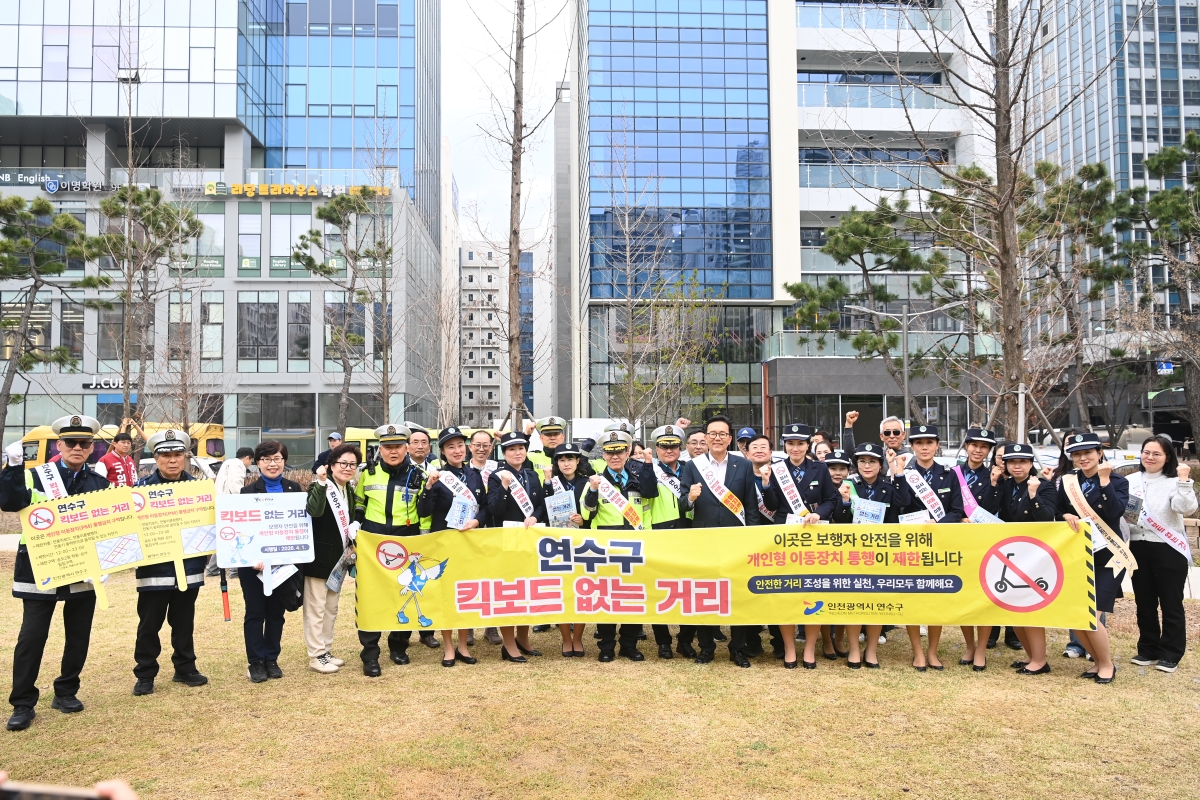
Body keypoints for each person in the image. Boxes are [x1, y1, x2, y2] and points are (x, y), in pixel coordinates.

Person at [1, 415, 109, 731]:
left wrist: (106, 565)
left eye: (84, 443)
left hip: (82, 570)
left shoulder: (100, 484)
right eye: (71, 442)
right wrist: (12, 468)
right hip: (39, 567)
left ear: (91, 448)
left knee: (78, 636)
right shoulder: (34, 477)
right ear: (59, 445)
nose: (77, 447)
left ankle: (66, 692)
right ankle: (22, 702)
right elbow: (8, 502)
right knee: (32, 637)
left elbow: (111, 529)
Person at [131, 430, 209, 697]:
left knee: (184, 622)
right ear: (156, 458)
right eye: (166, 455)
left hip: (189, 569)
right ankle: (145, 674)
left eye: (178, 455)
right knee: (149, 624)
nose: (172, 461)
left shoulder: (199, 489)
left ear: (185, 457)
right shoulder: (139, 491)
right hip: (154, 570)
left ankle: (185, 668)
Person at [678, 415, 761, 666]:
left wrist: (752, 538)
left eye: (722, 434)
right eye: (712, 434)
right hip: (704, 537)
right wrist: (690, 497)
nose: (716, 438)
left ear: (730, 438)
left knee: (737, 593)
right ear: (705, 437)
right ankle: (706, 646)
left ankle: (737, 647)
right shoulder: (693, 466)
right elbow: (682, 504)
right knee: (705, 592)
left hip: (736, 537)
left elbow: (751, 506)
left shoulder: (742, 465)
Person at [976, 442, 1057, 674]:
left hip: (1033, 554)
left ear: (1031, 464)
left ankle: (1040, 660)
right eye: (1012, 462)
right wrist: (992, 484)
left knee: (1031, 608)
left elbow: (1047, 517)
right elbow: (988, 512)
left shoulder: (1043, 486)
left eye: (1022, 461)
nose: (1017, 466)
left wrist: (1033, 495)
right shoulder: (1004, 484)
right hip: (1010, 552)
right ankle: (1032, 657)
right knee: (1017, 609)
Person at [355, 423, 429, 675]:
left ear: (406, 447)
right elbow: (359, 500)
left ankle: (399, 647)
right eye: (387, 447)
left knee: (404, 592)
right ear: (380, 449)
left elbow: (425, 510)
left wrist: (424, 538)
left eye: (397, 446)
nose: (393, 451)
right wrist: (356, 521)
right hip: (373, 539)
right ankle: (370, 654)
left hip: (406, 538)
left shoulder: (419, 474)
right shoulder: (368, 472)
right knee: (370, 596)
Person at [1056, 431, 1130, 684]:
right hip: (1079, 555)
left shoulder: (1118, 481)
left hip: (1110, 557)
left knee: (1093, 615)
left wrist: (1105, 481)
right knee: (1078, 614)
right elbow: (1057, 511)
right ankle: (1097, 662)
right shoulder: (1069, 483)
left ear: (1099, 453)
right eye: (1076, 454)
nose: (1082, 458)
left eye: (1087, 452)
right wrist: (1064, 516)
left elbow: (1115, 511)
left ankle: (1107, 665)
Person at [582, 430, 660, 662]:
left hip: (635, 549)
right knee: (606, 599)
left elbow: (647, 512)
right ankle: (606, 646)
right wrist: (594, 490)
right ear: (603, 455)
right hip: (605, 550)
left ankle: (629, 644)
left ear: (627, 453)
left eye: (619, 451)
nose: (615, 456)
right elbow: (587, 513)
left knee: (633, 598)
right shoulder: (596, 481)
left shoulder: (638, 481)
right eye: (609, 452)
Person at [765, 424, 838, 666]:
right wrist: (766, 484)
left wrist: (820, 514)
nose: (795, 448)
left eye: (800, 444)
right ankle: (789, 648)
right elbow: (773, 504)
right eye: (790, 444)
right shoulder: (777, 469)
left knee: (812, 589)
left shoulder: (819, 468)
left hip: (812, 535)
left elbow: (831, 499)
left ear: (808, 445)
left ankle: (809, 648)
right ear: (784, 445)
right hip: (784, 535)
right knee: (786, 590)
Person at [417, 427, 488, 667]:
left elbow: (486, 507)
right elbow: (423, 512)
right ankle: (448, 647)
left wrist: (477, 521)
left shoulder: (476, 475)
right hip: (445, 542)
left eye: (460, 445)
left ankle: (463, 645)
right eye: (450, 447)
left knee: (465, 593)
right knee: (446, 594)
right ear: (443, 452)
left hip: (469, 541)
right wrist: (428, 487)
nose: (456, 450)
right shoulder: (438, 477)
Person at [1127, 434, 1196, 673]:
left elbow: (1185, 508)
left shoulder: (1176, 480)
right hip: (1137, 547)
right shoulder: (1131, 481)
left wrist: (1185, 481)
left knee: (1170, 603)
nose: (1150, 457)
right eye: (1146, 452)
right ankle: (1148, 649)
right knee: (1144, 602)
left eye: (1157, 454)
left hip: (1168, 547)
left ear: (1167, 458)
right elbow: (1128, 517)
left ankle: (1170, 653)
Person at [898, 424, 964, 671]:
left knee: (936, 598)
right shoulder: (905, 471)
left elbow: (957, 510)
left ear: (937, 445)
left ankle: (933, 652)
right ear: (912, 446)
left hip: (940, 543)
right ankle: (917, 652)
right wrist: (899, 475)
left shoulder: (949, 474)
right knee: (913, 597)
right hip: (911, 543)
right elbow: (900, 505)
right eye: (918, 443)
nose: (924, 447)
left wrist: (938, 522)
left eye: (929, 442)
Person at [842, 443, 912, 668]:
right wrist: (844, 501)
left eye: (872, 461)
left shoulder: (889, 486)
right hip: (853, 553)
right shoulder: (849, 485)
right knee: (853, 602)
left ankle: (871, 650)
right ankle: (854, 649)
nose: (867, 465)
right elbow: (839, 518)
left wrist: (897, 471)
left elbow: (904, 502)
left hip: (881, 553)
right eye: (862, 461)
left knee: (875, 602)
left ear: (880, 464)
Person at [239, 441, 304, 683]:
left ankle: (272, 659)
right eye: (266, 459)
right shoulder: (247, 493)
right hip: (253, 566)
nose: (272, 463)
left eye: (277, 458)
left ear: (284, 461)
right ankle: (256, 662)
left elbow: (300, 529)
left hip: (284, 565)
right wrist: (251, 558)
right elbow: (241, 530)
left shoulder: (295, 488)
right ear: (257, 463)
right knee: (255, 612)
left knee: (277, 612)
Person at [488, 431, 548, 662]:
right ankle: (509, 643)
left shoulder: (532, 475)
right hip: (507, 542)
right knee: (510, 592)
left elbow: (541, 504)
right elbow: (494, 510)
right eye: (511, 449)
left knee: (529, 591)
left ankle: (523, 639)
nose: (517, 452)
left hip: (529, 540)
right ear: (504, 453)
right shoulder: (497, 476)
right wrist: (504, 486)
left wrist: (535, 517)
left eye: (521, 448)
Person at [643, 424, 702, 659]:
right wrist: (648, 465)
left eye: (674, 446)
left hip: (689, 532)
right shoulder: (648, 470)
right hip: (659, 534)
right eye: (664, 446)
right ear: (656, 448)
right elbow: (647, 492)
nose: (669, 450)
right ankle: (663, 641)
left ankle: (685, 640)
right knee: (660, 590)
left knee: (691, 589)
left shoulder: (691, 469)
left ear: (681, 448)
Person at [303, 442, 361, 674]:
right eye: (343, 463)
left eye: (352, 464)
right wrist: (320, 482)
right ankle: (316, 655)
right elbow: (314, 511)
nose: (347, 468)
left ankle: (325, 650)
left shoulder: (348, 489)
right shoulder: (322, 485)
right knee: (315, 609)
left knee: (331, 608)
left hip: (339, 561)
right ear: (331, 465)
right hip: (319, 559)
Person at [544, 442, 590, 656]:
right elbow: (542, 509)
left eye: (570, 459)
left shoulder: (587, 482)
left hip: (583, 544)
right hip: (557, 544)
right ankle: (565, 639)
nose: (566, 463)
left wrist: (584, 521)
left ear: (578, 461)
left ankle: (578, 638)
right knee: (562, 592)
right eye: (561, 459)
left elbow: (595, 510)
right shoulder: (551, 483)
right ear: (556, 463)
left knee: (583, 591)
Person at [468, 428, 500, 646]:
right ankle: (468, 627)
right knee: (469, 579)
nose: (481, 449)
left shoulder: (499, 469)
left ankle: (492, 627)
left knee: (493, 579)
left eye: (485, 445)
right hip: (467, 532)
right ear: (470, 447)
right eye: (477, 445)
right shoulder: (460, 471)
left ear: (491, 447)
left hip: (493, 529)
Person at [826, 449, 854, 524]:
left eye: (842, 469)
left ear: (848, 471)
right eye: (833, 469)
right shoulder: (820, 489)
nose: (838, 473)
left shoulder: (854, 489)